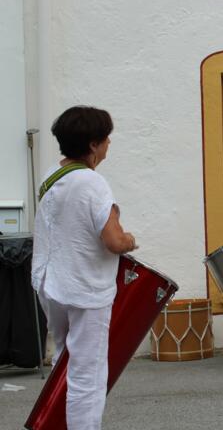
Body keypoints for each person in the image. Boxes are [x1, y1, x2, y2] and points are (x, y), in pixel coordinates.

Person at [31, 106, 137, 429]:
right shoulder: (92, 182)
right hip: (85, 288)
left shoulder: (52, 175)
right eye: (106, 138)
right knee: (87, 376)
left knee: (64, 362)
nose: (108, 144)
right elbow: (114, 241)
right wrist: (130, 239)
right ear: (92, 145)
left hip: (51, 283)